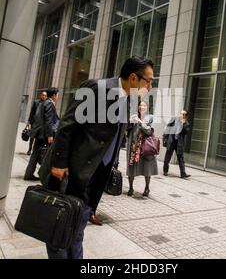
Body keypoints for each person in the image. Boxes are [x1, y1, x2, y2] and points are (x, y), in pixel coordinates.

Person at [47, 56, 154, 259]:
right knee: (59, 231)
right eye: (148, 81)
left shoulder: (129, 99)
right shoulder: (97, 88)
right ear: (133, 78)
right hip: (73, 172)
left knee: (77, 230)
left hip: (97, 177)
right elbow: (68, 125)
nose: (150, 86)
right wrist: (59, 163)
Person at [24, 88, 60, 181]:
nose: (58, 97)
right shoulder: (49, 103)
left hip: (39, 133)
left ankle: (29, 174)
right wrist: (50, 135)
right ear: (54, 95)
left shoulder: (43, 103)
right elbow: (48, 120)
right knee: (47, 154)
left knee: (35, 153)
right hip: (44, 134)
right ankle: (44, 176)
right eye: (58, 94)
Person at [126, 101, 158, 197]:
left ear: (147, 107)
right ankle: (130, 187)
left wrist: (140, 122)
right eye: (140, 105)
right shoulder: (133, 117)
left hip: (146, 146)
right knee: (131, 167)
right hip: (134, 145)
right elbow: (126, 129)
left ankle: (147, 187)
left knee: (147, 167)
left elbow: (149, 131)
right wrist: (130, 122)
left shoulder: (151, 117)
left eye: (144, 105)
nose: (141, 107)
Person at [163, 110, 191, 179]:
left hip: (179, 143)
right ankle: (165, 171)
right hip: (172, 141)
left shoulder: (186, 123)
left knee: (181, 158)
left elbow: (186, 132)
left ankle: (183, 173)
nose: (181, 115)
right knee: (167, 157)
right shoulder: (174, 119)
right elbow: (168, 128)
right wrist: (165, 138)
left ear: (185, 116)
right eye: (181, 113)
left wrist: (183, 124)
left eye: (183, 114)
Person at [26, 91, 48, 155]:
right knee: (32, 137)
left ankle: (35, 151)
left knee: (38, 138)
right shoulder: (36, 102)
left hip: (41, 124)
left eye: (45, 95)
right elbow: (32, 113)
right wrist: (29, 122)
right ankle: (30, 149)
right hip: (34, 123)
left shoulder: (46, 103)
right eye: (43, 95)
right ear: (40, 95)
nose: (44, 96)